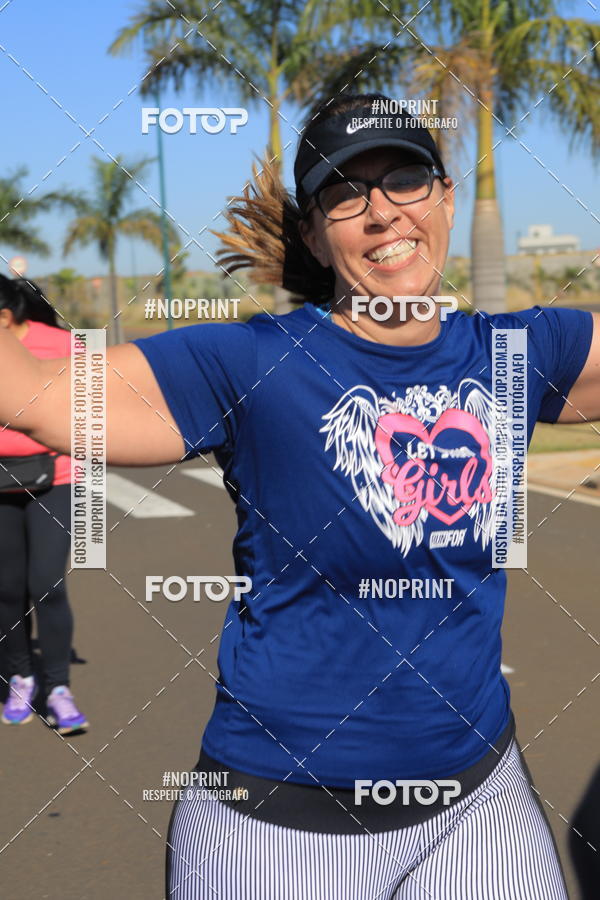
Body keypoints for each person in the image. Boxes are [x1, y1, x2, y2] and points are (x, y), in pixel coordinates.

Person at [0, 92, 598, 897]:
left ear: (446, 197)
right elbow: (38, 396)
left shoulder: (521, 354)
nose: (382, 212)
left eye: (406, 178)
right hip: (277, 827)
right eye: (346, 193)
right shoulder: (250, 365)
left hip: (478, 801)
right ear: (315, 233)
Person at [0, 276, 88, 735]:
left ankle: (57, 687)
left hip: (55, 478)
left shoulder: (60, 345)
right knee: (6, 589)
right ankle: (20, 676)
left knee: (47, 585)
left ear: (5, 316)